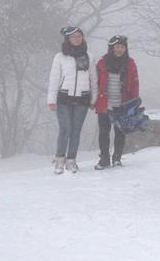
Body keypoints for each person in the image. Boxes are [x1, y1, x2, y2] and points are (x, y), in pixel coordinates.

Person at [47, 26, 97, 174]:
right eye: (73, 37)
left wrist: (93, 99)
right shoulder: (60, 57)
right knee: (65, 129)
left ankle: (71, 161)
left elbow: (94, 79)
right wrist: (51, 100)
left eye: (79, 36)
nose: (77, 39)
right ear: (68, 39)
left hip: (83, 98)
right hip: (64, 97)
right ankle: (59, 159)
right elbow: (54, 79)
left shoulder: (89, 56)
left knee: (76, 131)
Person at [94, 35, 139, 170]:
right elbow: (95, 82)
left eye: (122, 47)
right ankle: (104, 159)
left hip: (122, 104)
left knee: (120, 132)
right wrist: (93, 99)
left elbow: (135, 83)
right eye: (117, 47)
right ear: (111, 48)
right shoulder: (102, 63)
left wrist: (133, 103)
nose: (120, 50)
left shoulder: (130, 63)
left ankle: (117, 158)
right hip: (104, 103)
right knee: (104, 132)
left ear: (126, 48)